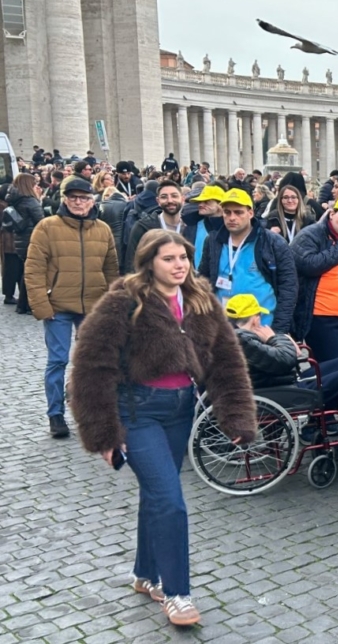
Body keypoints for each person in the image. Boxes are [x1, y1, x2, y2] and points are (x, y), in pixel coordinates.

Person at [68, 229, 256, 628]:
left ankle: (145, 574)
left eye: (183, 257)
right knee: (170, 500)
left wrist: (236, 415)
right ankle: (176, 594)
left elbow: (226, 361)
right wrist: (103, 433)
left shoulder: (201, 298)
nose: (178, 265)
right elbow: (91, 365)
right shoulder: (124, 301)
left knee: (158, 495)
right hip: (138, 412)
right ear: (149, 261)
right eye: (168, 258)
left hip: (180, 411)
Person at [25, 177, 120, 437]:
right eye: (74, 197)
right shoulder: (47, 227)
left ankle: (92, 412)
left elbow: (111, 269)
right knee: (57, 360)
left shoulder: (103, 229)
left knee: (93, 362)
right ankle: (55, 414)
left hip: (93, 304)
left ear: (93, 201)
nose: (79, 202)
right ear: (65, 199)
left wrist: (112, 303)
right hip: (58, 306)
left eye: (85, 197)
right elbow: (34, 269)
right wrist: (41, 305)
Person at [225, 293, 338, 443]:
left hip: (282, 384)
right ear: (255, 319)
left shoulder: (240, 337)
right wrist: (275, 339)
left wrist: (281, 344)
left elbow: (278, 356)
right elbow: (286, 359)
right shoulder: (243, 340)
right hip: (286, 391)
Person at [198, 188, 297, 334]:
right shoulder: (213, 241)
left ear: (250, 213)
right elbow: (203, 280)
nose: (232, 218)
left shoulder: (272, 242)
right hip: (223, 327)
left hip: (262, 327)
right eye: (227, 212)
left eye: (238, 212)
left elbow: (289, 288)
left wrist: (278, 331)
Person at [291, 196, 338, 361]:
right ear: (332, 214)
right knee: (328, 370)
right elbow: (308, 265)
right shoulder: (311, 234)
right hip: (322, 317)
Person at [123, 181, 185, 274]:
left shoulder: (191, 227)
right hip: (152, 286)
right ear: (158, 201)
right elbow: (131, 263)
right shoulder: (143, 227)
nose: (170, 200)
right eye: (164, 197)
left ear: (182, 199)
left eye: (174, 196)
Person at [6, 172, 43, 315]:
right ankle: (27, 305)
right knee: (31, 273)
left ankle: (22, 305)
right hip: (31, 239)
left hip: (20, 239)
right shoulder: (30, 201)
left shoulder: (15, 199)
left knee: (26, 272)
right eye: (35, 184)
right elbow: (41, 221)